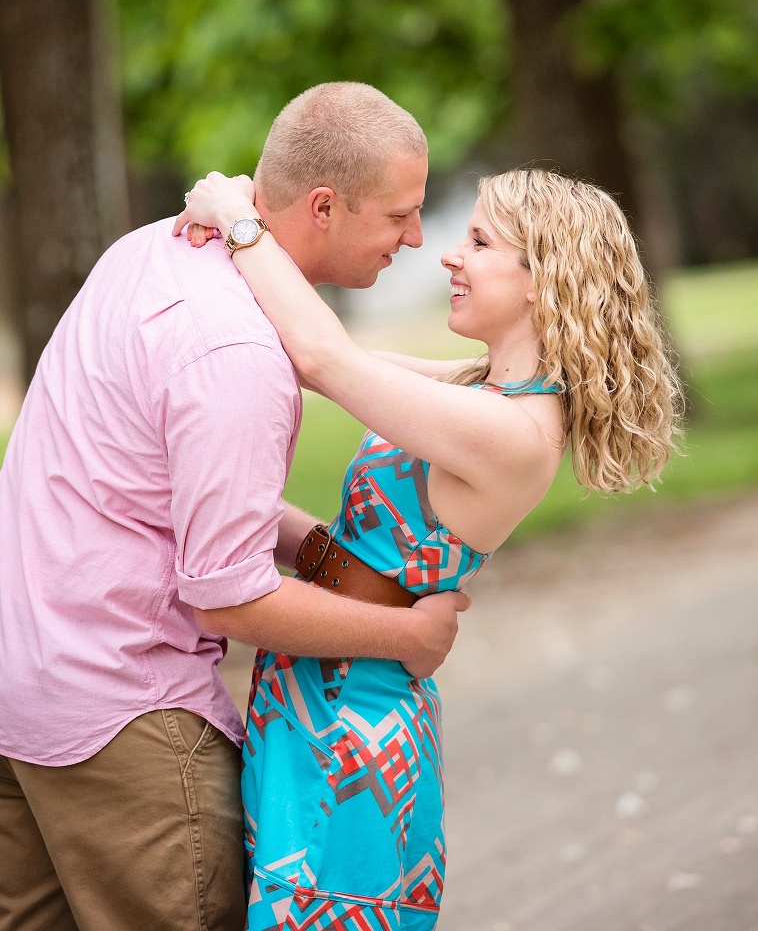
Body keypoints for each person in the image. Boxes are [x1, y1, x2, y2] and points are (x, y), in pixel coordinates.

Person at [0, 83, 470, 931]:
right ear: (324, 205)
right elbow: (228, 594)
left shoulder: (150, 253)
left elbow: (162, 494)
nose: (415, 238)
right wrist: (410, 634)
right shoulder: (236, 354)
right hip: (125, 720)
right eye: (400, 215)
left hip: (24, 692)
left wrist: (329, 558)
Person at [177, 165, 684, 930]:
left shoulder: (510, 435)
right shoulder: (482, 393)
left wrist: (237, 218)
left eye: (478, 241)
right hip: (322, 699)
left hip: (356, 736)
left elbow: (326, 359)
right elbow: (308, 360)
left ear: (544, 281)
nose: (449, 254)